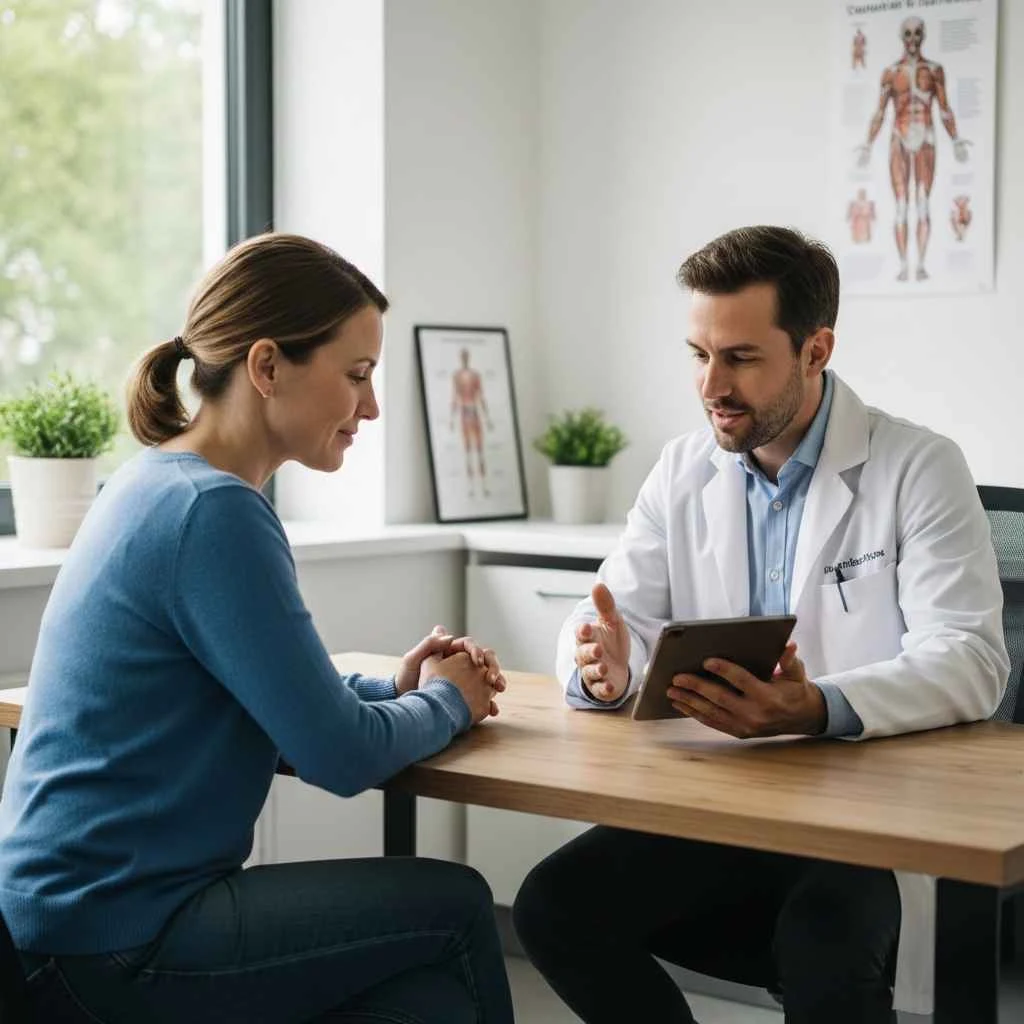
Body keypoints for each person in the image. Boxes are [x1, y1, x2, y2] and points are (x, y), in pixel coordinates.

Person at [0, 233, 516, 1024]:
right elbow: (339, 755)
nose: (371, 407)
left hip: (63, 929)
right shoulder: (215, 512)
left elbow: (263, 699)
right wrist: (448, 702)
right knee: (456, 903)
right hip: (117, 941)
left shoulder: (151, 482)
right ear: (267, 367)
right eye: (356, 376)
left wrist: (396, 690)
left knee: (427, 1000)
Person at [512, 225, 1008, 1024]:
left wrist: (816, 707)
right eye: (699, 355)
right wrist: (599, 665)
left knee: (823, 941)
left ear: (816, 350)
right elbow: (611, 614)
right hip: (725, 805)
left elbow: (973, 660)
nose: (712, 384)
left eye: (740, 358)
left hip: (862, 822)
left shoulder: (918, 466)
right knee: (554, 906)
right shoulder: (683, 469)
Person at [856, 16, 970, 282]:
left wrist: (955, 140)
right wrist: (867, 145)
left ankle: (919, 265)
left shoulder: (934, 71)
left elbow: (944, 110)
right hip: (900, 136)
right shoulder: (891, 73)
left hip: (926, 138)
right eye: (908, 34)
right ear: (902, 37)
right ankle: (903, 265)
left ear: (923, 36)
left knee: (921, 203)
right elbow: (880, 113)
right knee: (900, 205)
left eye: (917, 34)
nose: (912, 39)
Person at [450, 347, 492, 497]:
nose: (465, 358)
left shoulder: (475, 375)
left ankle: (484, 485)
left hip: (474, 412)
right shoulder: (457, 376)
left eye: (466, 355)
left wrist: (487, 418)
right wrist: (452, 419)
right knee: (468, 450)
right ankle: (471, 488)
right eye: (463, 356)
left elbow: (481, 396)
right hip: (464, 413)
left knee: (479, 450)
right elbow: (455, 397)